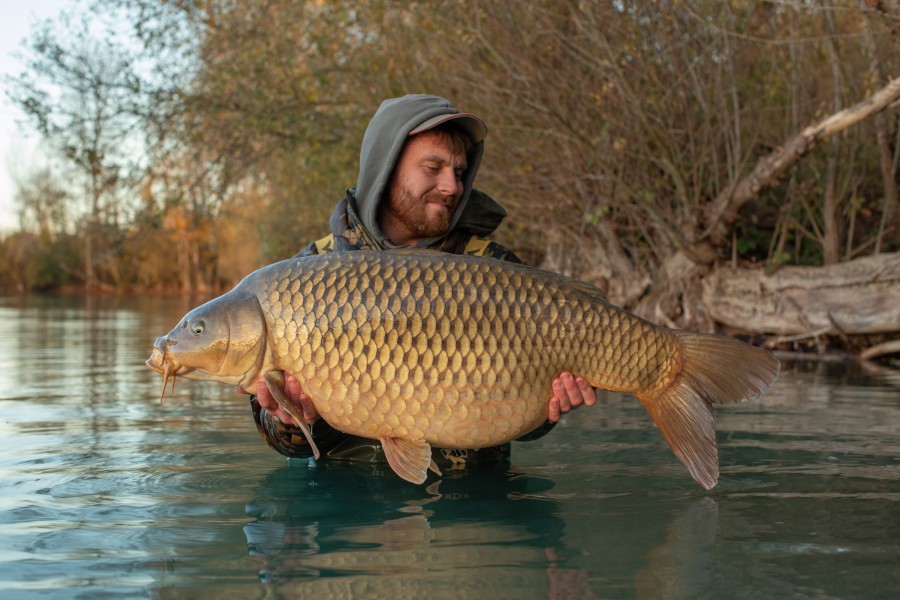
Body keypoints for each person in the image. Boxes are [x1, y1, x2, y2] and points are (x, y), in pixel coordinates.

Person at [244, 94, 596, 470]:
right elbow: (287, 447)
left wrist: (545, 413)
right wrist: (292, 420)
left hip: (475, 504)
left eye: (459, 172)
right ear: (386, 168)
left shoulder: (494, 269)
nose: (452, 186)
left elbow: (522, 423)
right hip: (347, 502)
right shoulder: (308, 273)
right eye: (433, 168)